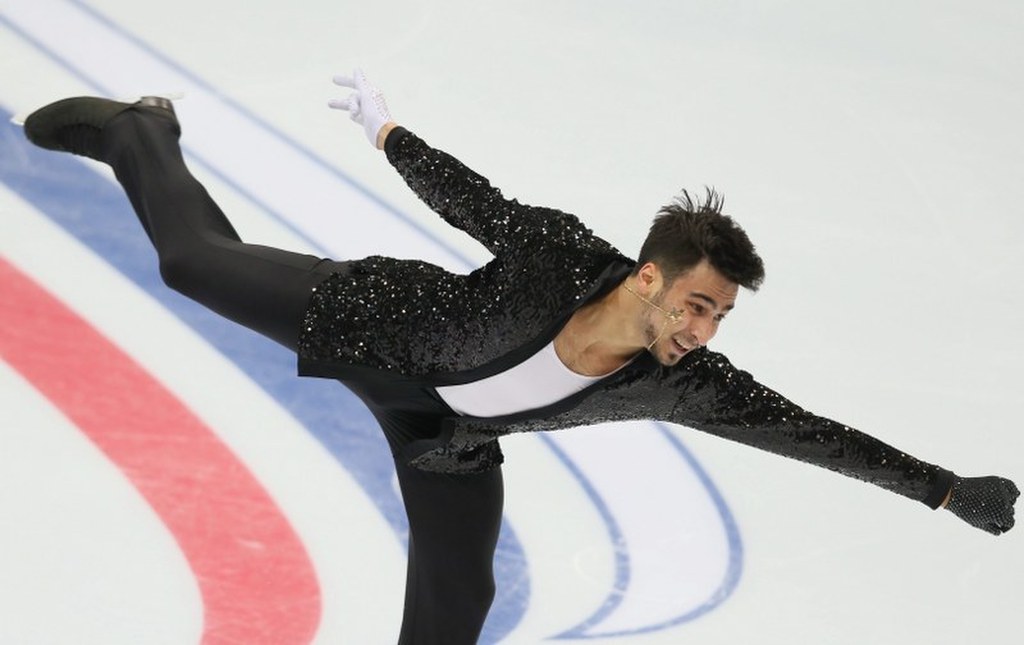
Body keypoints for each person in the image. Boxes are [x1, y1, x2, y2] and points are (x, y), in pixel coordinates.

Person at [22, 70, 1018, 645]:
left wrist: (940, 489)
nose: (705, 332)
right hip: (379, 323)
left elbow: (810, 434)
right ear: (649, 278)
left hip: (445, 434)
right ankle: (141, 129)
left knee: (458, 597)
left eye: (719, 317)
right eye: (698, 306)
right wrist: (389, 132)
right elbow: (476, 202)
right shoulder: (558, 257)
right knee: (192, 263)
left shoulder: (686, 382)